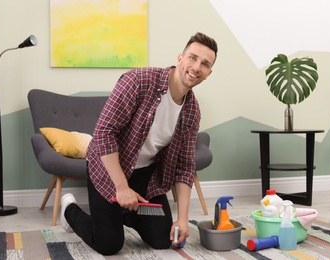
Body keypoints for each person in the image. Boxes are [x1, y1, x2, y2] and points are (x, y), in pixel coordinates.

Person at [60, 32, 218, 255]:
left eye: (204, 63)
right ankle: (70, 210)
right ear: (180, 58)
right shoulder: (138, 81)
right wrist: (122, 187)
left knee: (164, 239)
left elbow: (184, 167)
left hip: (146, 174)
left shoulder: (191, 111)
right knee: (109, 244)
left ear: (208, 73)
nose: (196, 67)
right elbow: (104, 133)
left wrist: (182, 219)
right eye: (192, 57)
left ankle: (124, 212)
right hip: (108, 168)